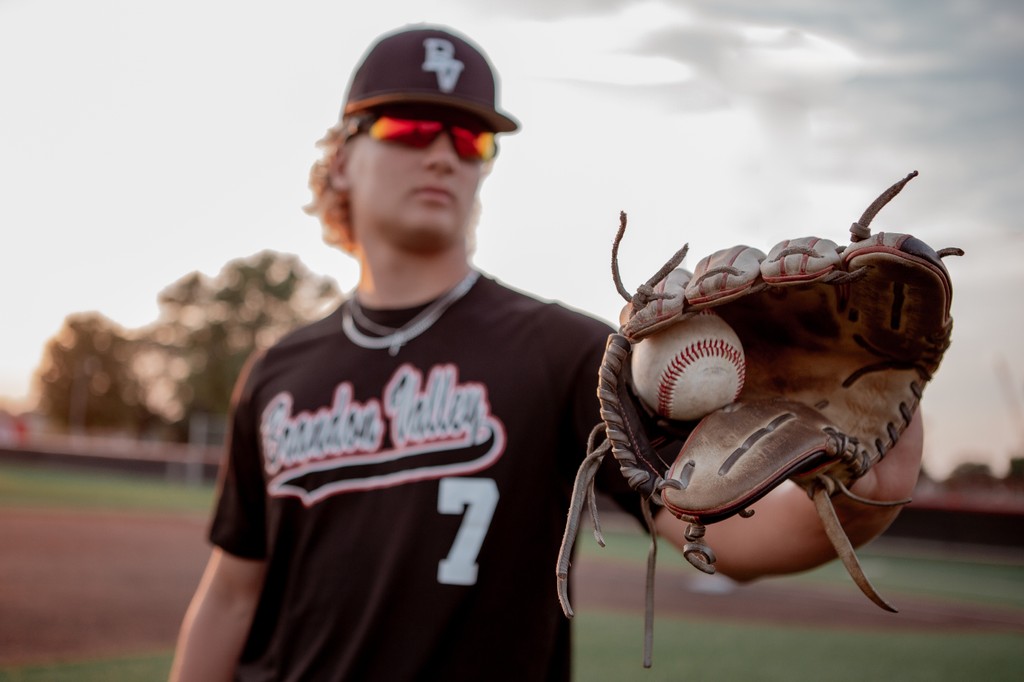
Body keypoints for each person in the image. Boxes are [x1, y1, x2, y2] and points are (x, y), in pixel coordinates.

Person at [169, 24, 924, 681]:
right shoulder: (278, 375)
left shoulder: (562, 351)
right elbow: (233, 592)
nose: (443, 153)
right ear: (340, 160)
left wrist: (869, 498)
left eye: (470, 137)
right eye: (410, 127)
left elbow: (720, 532)